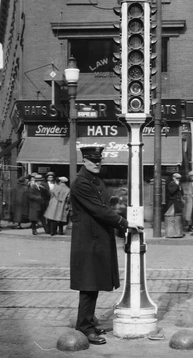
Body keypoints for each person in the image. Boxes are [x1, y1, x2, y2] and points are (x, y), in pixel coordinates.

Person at [69, 146, 142, 345]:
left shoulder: (94, 180)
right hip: (88, 240)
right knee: (88, 284)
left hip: (96, 237)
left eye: (98, 160)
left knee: (93, 283)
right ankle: (84, 327)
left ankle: (89, 322)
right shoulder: (81, 183)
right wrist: (124, 223)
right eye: (92, 160)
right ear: (84, 161)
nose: (97, 163)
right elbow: (99, 210)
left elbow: (104, 209)